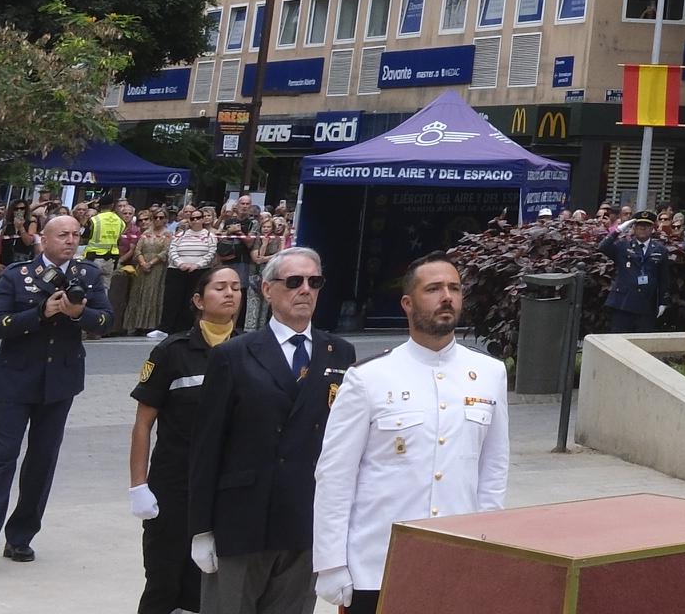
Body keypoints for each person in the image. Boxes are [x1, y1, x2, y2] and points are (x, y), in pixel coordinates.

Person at [312, 255, 510, 613]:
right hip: (376, 562)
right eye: (433, 289)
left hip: (457, 556)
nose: (446, 297)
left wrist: (488, 543)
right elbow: (335, 475)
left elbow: (493, 470)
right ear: (407, 303)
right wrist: (330, 563)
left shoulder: (488, 373)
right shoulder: (369, 377)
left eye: (454, 288)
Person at [186, 248, 357, 613]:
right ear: (267, 290)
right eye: (294, 282)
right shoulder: (234, 355)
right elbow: (206, 446)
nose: (305, 290)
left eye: (315, 282)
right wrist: (201, 528)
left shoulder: (339, 352)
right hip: (242, 520)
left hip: (304, 517)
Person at [0, 211, 111, 571]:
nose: (71, 241)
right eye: (63, 234)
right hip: (15, 381)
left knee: (42, 462)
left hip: (59, 383)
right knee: (0, 461)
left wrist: (79, 314)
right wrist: (41, 314)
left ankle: (20, 537)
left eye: (76, 234)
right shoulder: (19, 276)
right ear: (42, 240)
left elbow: (107, 320)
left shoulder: (87, 276)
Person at [128, 260, 242, 614]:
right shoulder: (172, 352)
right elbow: (143, 422)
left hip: (226, 488)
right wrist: (138, 486)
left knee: (205, 587)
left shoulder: (250, 351)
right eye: (219, 287)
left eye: (236, 288)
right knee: (163, 581)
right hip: (174, 485)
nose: (229, 294)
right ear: (197, 300)